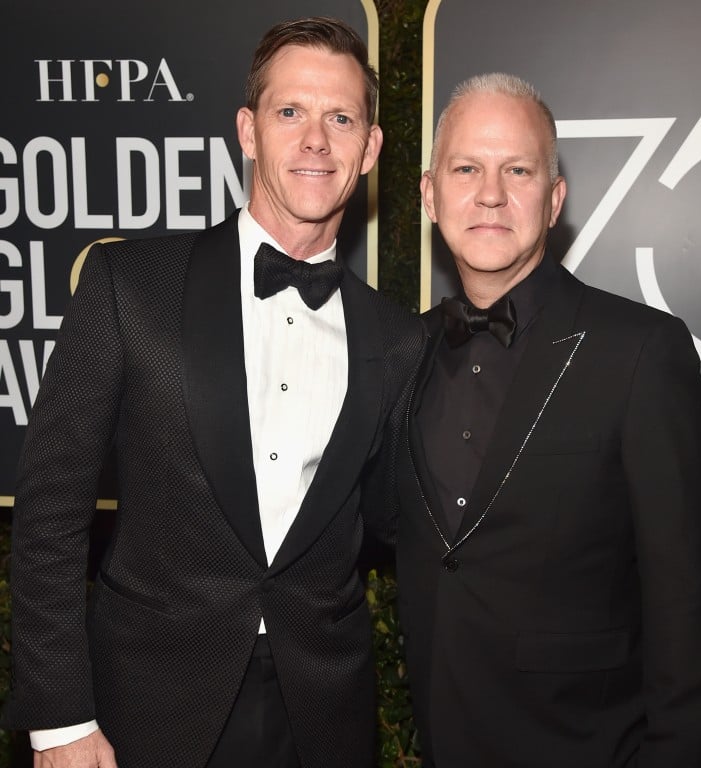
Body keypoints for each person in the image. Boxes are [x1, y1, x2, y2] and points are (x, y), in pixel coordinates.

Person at [4, 17, 422, 768]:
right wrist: (61, 720)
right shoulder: (129, 287)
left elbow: (395, 520)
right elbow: (49, 512)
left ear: (370, 148)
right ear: (248, 132)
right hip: (146, 708)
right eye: (290, 111)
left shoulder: (397, 338)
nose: (316, 140)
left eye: (341, 118)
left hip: (323, 712)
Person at [395, 72, 701, 768]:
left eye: (518, 170)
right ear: (430, 194)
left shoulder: (640, 351)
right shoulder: (400, 351)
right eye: (466, 169)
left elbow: (686, 605)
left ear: (553, 200)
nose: (491, 193)